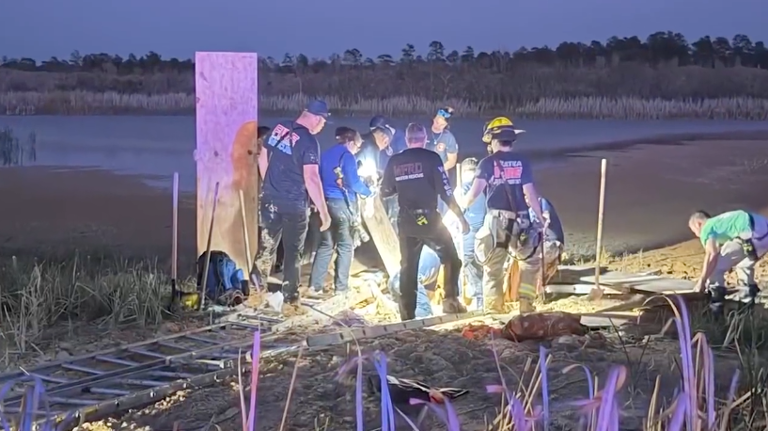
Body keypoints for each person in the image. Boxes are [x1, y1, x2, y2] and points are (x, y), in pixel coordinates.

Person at [381, 122, 470, 321]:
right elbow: (446, 192)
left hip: (406, 221)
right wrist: (461, 218)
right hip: (429, 220)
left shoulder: (395, 160)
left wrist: (404, 184)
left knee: (408, 268)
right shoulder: (432, 158)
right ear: (424, 139)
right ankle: (450, 301)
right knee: (452, 259)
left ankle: (407, 315)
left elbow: (385, 191)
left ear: (407, 140)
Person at [460, 116, 545, 314]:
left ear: (492, 140)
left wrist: (459, 209)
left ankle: (493, 310)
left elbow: (473, 194)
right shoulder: (523, 162)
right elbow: (530, 194)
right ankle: (526, 304)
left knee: (492, 266)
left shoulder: (486, 163)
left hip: (497, 221)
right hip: (522, 219)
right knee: (529, 262)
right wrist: (540, 218)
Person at [254, 100, 332, 315]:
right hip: (294, 204)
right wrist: (324, 212)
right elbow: (312, 177)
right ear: (316, 118)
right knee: (292, 253)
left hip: (270, 200)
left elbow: (262, 156)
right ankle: (290, 300)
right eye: (323, 122)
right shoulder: (309, 141)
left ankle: (255, 292)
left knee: (266, 246)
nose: (322, 126)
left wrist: (268, 183)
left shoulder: (279, 128)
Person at [309, 127, 373, 296]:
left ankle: (314, 287)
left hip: (325, 204)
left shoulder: (326, 154)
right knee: (345, 246)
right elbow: (353, 183)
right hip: (342, 205)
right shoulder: (348, 156)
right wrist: (369, 192)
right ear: (350, 142)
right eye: (358, 146)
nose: (357, 149)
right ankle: (341, 289)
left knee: (325, 245)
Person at [688, 209, 768, 314]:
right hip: (763, 232)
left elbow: (712, 254)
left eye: (694, 231)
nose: (697, 235)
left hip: (749, 233)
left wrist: (701, 281)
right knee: (743, 265)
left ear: (698, 224)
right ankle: (747, 303)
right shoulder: (721, 222)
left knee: (715, 268)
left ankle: (715, 308)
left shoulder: (707, 227)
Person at [456, 158, 487, 308]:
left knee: (468, 261)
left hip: (472, 231)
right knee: (469, 263)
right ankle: (471, 296)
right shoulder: (477, 188)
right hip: (473, 230)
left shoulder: (469, 189)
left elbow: (458, 208)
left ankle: (478, 296)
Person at [388, 247, 442, 318]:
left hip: (396, 279)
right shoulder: (442, 255)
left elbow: (429, 291)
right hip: (407, 281)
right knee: (425, 316)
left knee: (403, 317)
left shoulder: (431, 250)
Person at [527, 195, 565, 290]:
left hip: (552, 242)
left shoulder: (542, 203)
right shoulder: (527, 210)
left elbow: (545, 221)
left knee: (535, 259)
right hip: (540, 243)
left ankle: (538, 289)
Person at [427, 107, 459, 184]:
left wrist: (439, 169)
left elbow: (452, 161)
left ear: (446, 125)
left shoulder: (449, 137)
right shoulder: (424, 132)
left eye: (442, 124)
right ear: (434, 118)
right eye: (438, 120)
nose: (438, 124)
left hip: (441, 174)